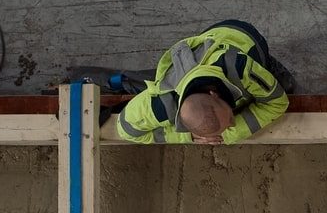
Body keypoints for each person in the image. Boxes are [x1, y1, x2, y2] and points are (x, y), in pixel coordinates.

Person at [112, 20, 295, 144]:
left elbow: (277, 103)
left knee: (275, 85)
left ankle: (270, 66)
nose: (233, 124)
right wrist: (189, 137)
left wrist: (229, 136)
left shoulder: (239, 67)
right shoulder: (160, 104)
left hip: (243, 36)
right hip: (204, 63)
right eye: (230, 123)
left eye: (230, 118)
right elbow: (126, 130)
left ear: (213, 94)